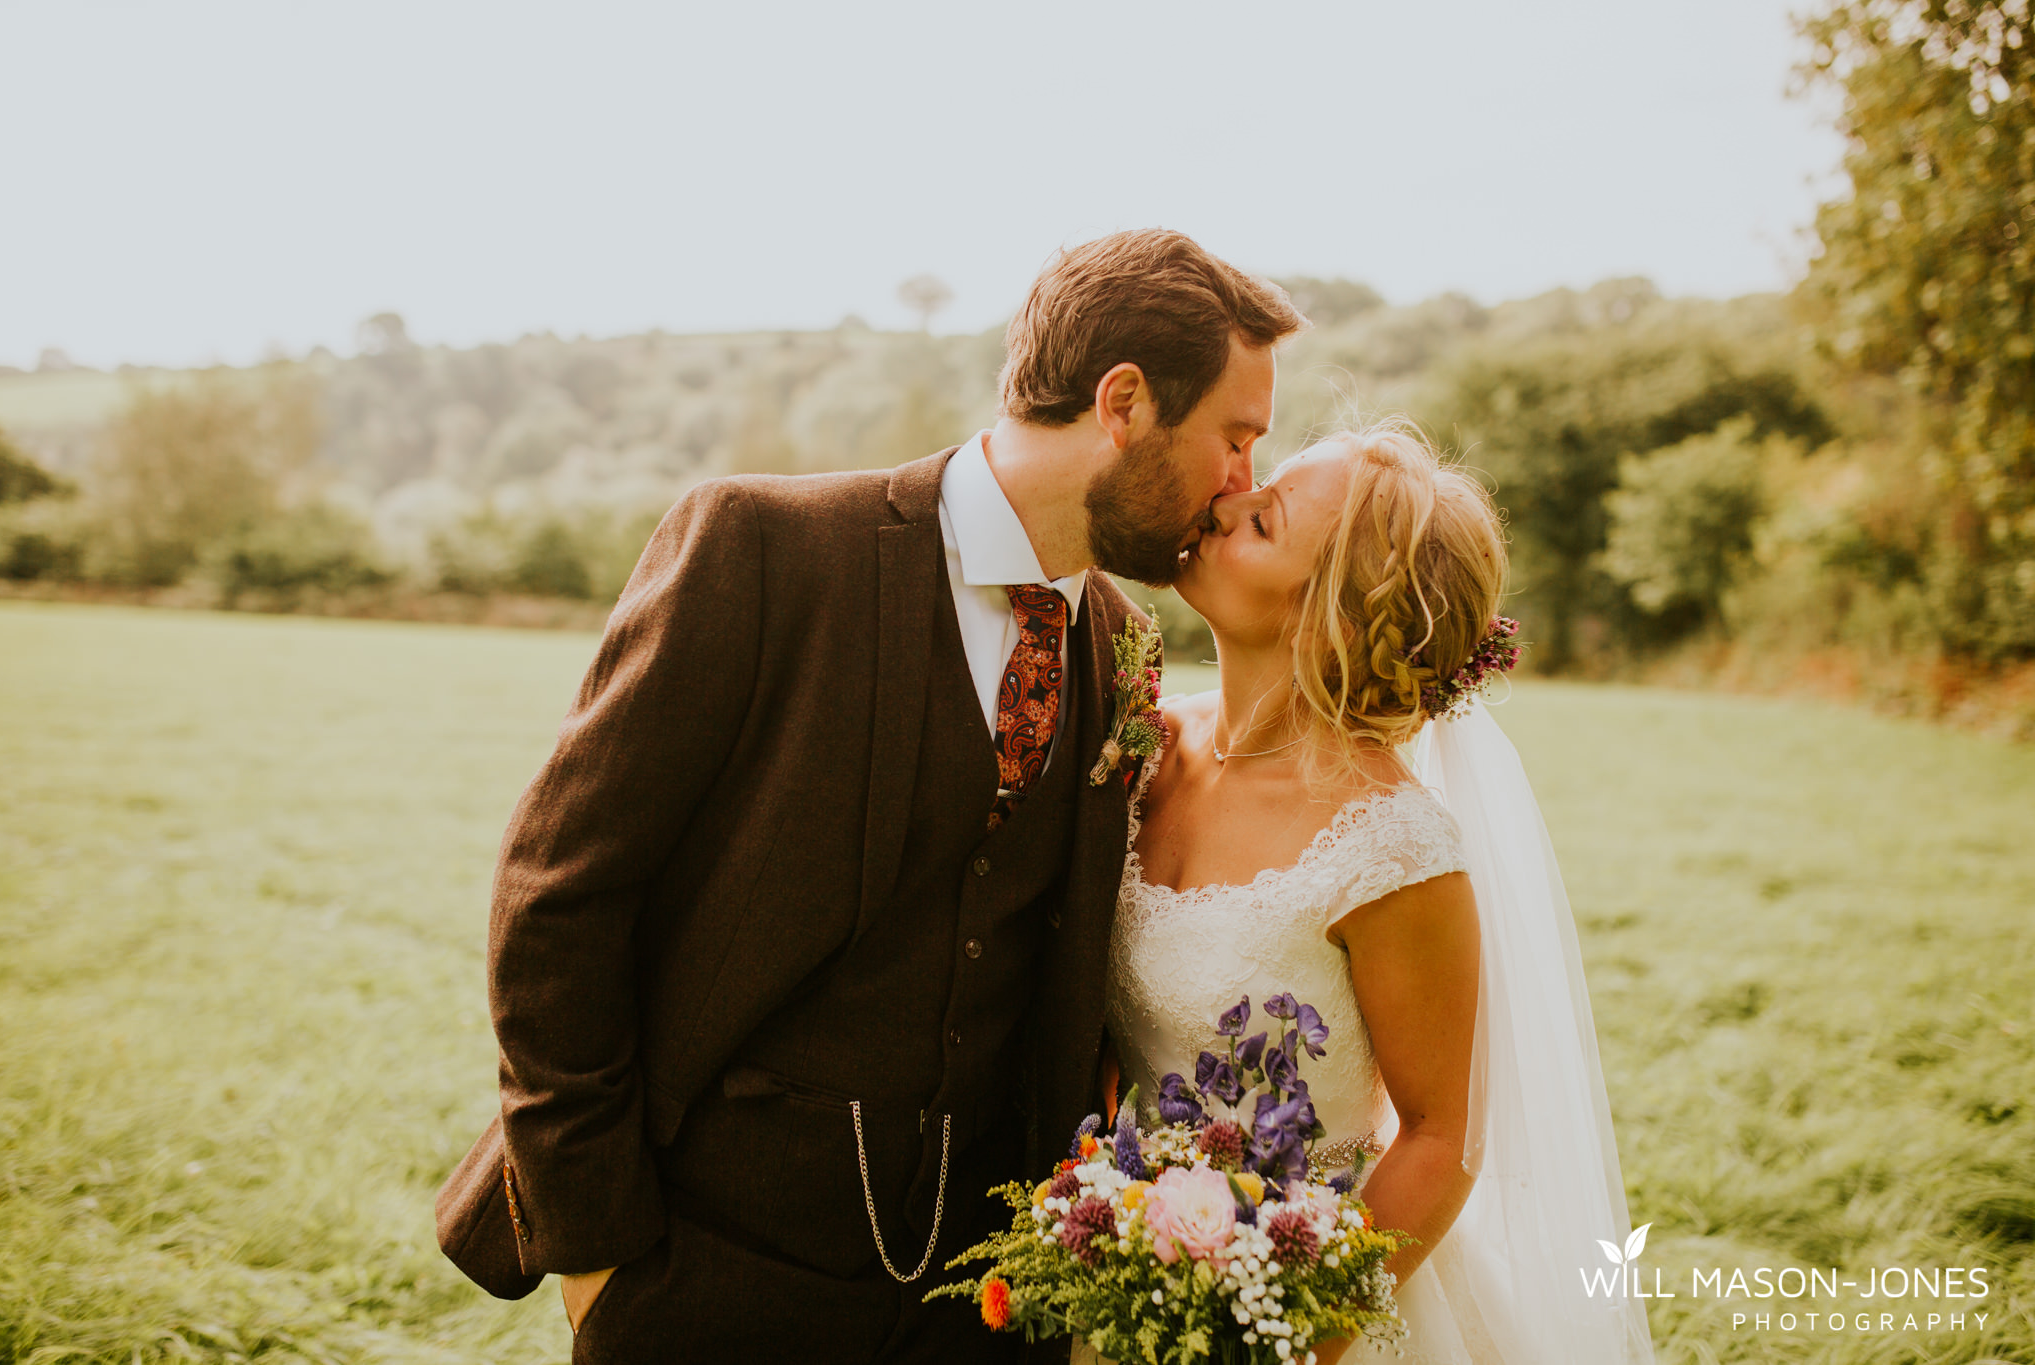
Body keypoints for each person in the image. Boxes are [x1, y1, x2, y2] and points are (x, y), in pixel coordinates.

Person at [433, 228, 1307, 1362]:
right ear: (1125, 401)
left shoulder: (1122, 646)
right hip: (696, 1275)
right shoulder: (762, 549)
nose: (1243, 482)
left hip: (977, 1304)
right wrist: (598, 1254)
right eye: (1235, 438)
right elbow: (556, 899)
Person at [1106, 423, 1657, 1363]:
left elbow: (1444, 1138)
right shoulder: (1141, 745)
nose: (1222, 499)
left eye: (1264, 519)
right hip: (1118, 1270)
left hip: (1303, 1303)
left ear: (1329, 620)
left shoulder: (1392, 847)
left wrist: (1291, 1331)